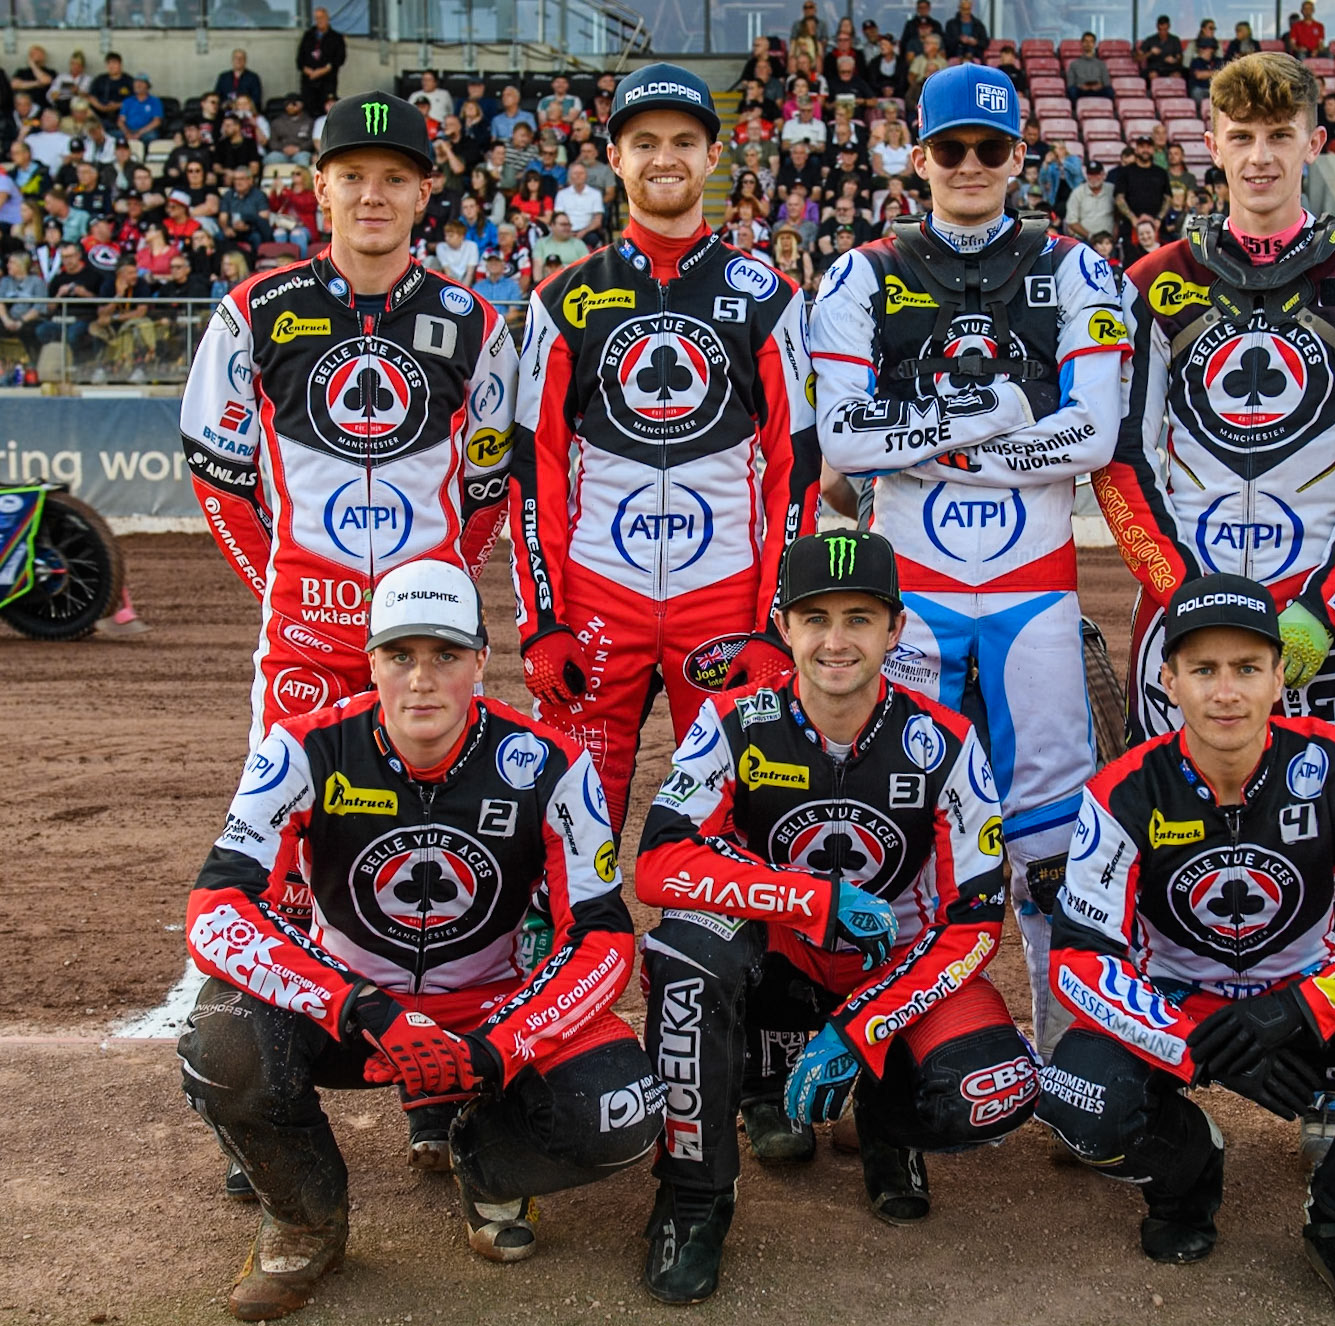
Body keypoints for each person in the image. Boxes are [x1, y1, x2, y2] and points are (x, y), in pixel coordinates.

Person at [177, 560, 666, 1321]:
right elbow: (217, 909)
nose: (422, 680)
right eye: (400, 656)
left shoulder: (552, 763)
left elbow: (602, 939)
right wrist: (361, 1007)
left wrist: (501, 1045)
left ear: (480, 660)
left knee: (622, 1112)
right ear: (371, 661)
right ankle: (305, 1219)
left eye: (444, 655)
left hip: (488, 1015)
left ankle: (487, 1161)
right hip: (351, 1011)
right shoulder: (302, 747)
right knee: (222, 1041)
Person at [1035, 572, 1335, 1313]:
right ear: (1169, 681)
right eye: (1203, 671)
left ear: (1279, 678)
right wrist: (1188, 1040)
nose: (1225, 693)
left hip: (1307, 1005)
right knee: (1076, 1099)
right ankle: (1185, 1176)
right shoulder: (1121, 791)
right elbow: (1079, 961)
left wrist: (1309, 1006)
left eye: (1246, 669)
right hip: (1178, 1010)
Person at [809, 64, 1130, 1056]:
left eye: (991, 149)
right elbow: (841, 436)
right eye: (952, 149)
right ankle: (889, 1055)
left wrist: (938, 444)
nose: (971, 165)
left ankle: (1067, 1058)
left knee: (1049, 838)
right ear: (922, 157)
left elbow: (1097, 434)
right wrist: (996, 417)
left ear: (1018, 156)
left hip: (1034, 596)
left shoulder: (1074, 267)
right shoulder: (861, 270)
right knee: (888, 821)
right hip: (912, 600)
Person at [631, 529, 1037, 1302]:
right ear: (782, 628)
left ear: (895, 628)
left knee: (997, 1084)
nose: (836, 639)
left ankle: (886, 1128)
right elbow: (660, 862)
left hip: (895, 972)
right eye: (815, 617)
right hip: (775, 966)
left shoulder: (946, 742)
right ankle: (694, 1197)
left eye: (859, 617)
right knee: (684, 958)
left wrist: (867, 1026)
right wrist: (809, 900)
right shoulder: (731, 721)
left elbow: (975, 920)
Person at [508, 63, 820, 840]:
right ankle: (575, 954)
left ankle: (723, 961)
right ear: (614, 158)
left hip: (724, 597)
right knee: (569, 827)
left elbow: (796, 468)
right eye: (643, 142)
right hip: (594, 598)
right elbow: (533, 469)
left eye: (684, 141)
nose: (664, 157)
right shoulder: (563, 298)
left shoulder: (768, 295)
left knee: (735, 824)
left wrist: (773, 622)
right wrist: (543, 620)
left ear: (713, 157)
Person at [1095, 51, 1335, 773]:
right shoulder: (1154, 281)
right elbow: (1121, 461)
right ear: (1211, 147)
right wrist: (1181, 595)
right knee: (1165, 818)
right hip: (1180, 608)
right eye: (1240, 137)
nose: (1259, 156)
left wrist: (1325, 605)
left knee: (1325, 831)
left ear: (1314, 142)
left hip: (1319, 615)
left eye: (1278, 134)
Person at [181, 89, 517, 757]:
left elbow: (491, 486)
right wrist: (282, 583)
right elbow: (216, 474)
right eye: (352, 177)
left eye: (394, 179)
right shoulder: (252, 310)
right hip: (302, 630)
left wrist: (444, 589)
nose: (372, 196)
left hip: (430, 637)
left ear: (425, 192)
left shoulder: (477, 324)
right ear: (320, 188)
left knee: (431, 834)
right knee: (285, 836)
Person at [296, 8, 346, 116]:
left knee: (327, 110)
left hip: (327, 82)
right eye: (317, 18)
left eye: (322, 18)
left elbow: (340, 59)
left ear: (327, 18)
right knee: (308, 110)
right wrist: (308, 71)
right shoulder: (308, 35)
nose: (320, 20)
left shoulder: (336, 37)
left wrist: (322, 71)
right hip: (309, 82)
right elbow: (300, 59)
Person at [1067, 31, 1114, 101]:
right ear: (1082, 43)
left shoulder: (1101, 64)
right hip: (1081, 90)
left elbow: (1107, 83)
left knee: (1110, 91)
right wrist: (1080, 86)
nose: (1088, 44)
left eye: (1091, 41)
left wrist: (1099, 86)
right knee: (1072, 91)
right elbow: (1070, 83)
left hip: (1098, 90)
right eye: (1086, 41)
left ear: (1094, 44)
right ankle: (1077, 109)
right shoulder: (1074, 64)